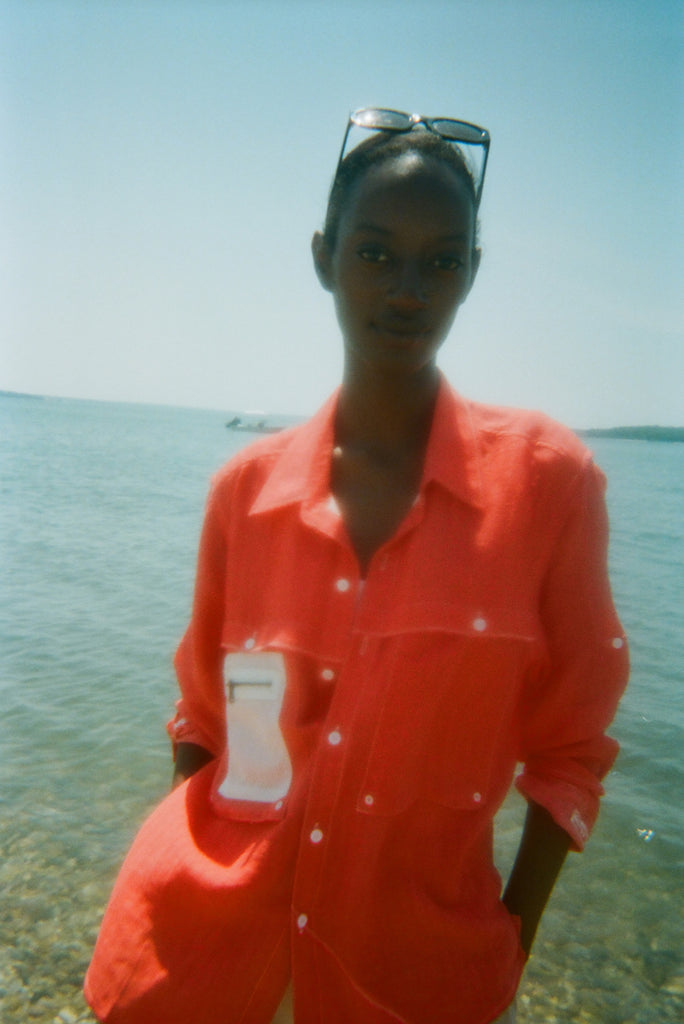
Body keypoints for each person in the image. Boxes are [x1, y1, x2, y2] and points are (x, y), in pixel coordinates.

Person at [84, 108, 629, 1024]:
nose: (408, 289)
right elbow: (205, 725)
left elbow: (570, 749)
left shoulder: (550, 487)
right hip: (199, 964)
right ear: (323, 256)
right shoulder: (244, 493)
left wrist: (511, 937)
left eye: (442, 260)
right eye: (375, 252)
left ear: (472, 274)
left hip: (411, 980)